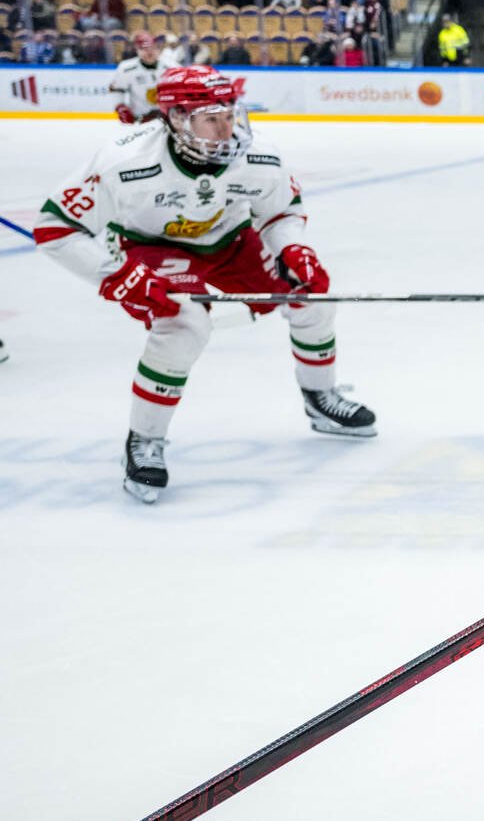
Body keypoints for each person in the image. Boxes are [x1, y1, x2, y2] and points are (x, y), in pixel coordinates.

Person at [33, 66, 376, 503]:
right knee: (183, 324)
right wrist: (115, 276)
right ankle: (144, 439)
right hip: (151, 247)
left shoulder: (258, 155)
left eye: (231, 112)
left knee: (312, 297)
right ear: (176, 117)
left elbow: (280, 211)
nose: (227, 126)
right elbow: (54, 227)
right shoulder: (123, 160)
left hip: (230, 242)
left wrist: (291, 250)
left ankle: (321, 395)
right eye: (212, 117)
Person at [109, 32, 166, 124]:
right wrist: (120, 107)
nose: (149, 52)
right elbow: (117, 89)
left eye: (152, 48)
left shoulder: (171, 67)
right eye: (144, 49)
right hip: (140, 120)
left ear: (158, 48)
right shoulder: (126, 69)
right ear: (137, 50)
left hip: (167, 119)